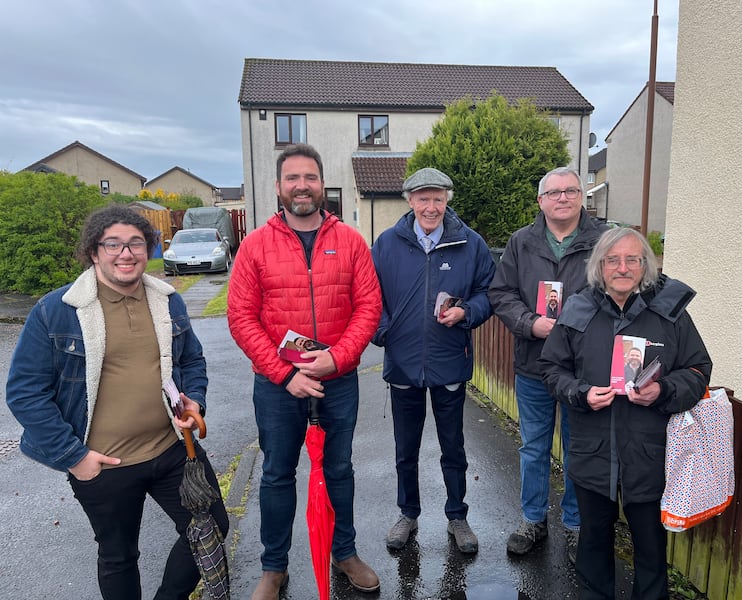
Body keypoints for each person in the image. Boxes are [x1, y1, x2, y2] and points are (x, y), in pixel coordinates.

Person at [5, 204, 227, 600]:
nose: (126, 253)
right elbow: (25, 392)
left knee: (211, 525)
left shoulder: (167, 301)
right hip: (104, 464)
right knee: (119, 556)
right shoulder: (57, 311)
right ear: (94, 252)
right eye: (113, 244)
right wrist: (75, 458)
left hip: (172, 450)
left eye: (136, 243)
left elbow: (191, 360)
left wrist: (194, 402)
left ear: (148, 249)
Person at [227, 143, 382, 599]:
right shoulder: (256, 245)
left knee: (338, 469)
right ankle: (274, 567)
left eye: (309, 177)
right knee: (277, 473)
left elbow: (369, 306)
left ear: (322, 185)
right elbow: (241, 317)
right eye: (292, 178)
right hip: (278, 386)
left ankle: (343, 552)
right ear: (278, 187)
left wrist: (340, 357)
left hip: (338, 381)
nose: (301, 186)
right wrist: (284, 374)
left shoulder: (350, 241)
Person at [539, 227, 712, 599]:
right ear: (599, 267)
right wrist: (581, 393)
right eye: (613, 260)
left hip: (649, 456)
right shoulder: (578, 309)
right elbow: (552, 369)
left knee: (651, 550)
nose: (622, 268)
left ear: (645, 265)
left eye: (632, 259)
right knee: (592, 546)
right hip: (591, 453)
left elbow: (698, 370)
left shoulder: (670, 314)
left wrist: (663, 391)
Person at [371, 167, 496, 554]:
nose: (431, 207)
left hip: (449, 361)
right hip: (403, 362)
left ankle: (457, 516)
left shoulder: (470, 243)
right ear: (410, 201)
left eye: (438, 199)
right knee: (405, 449)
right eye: (423, 198)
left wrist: (467, 312)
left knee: (453, 447)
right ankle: (407, 514)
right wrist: (384, 331)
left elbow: (490, 292)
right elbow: (370, 296)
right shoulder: (387, 244)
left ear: (447, 201)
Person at [488, 166, 606, 561]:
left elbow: (619, 293)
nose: (563, 198)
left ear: (582, 197)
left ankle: (575, 524)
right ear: (541, 201)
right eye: (554, 192)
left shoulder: (603, 240)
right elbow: (501, 293)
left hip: (582, 369)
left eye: (570, 191)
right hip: (534, 364)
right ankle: (533, 520)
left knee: (578, 448)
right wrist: (529, 323)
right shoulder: (521, 242)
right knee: (533, 447)